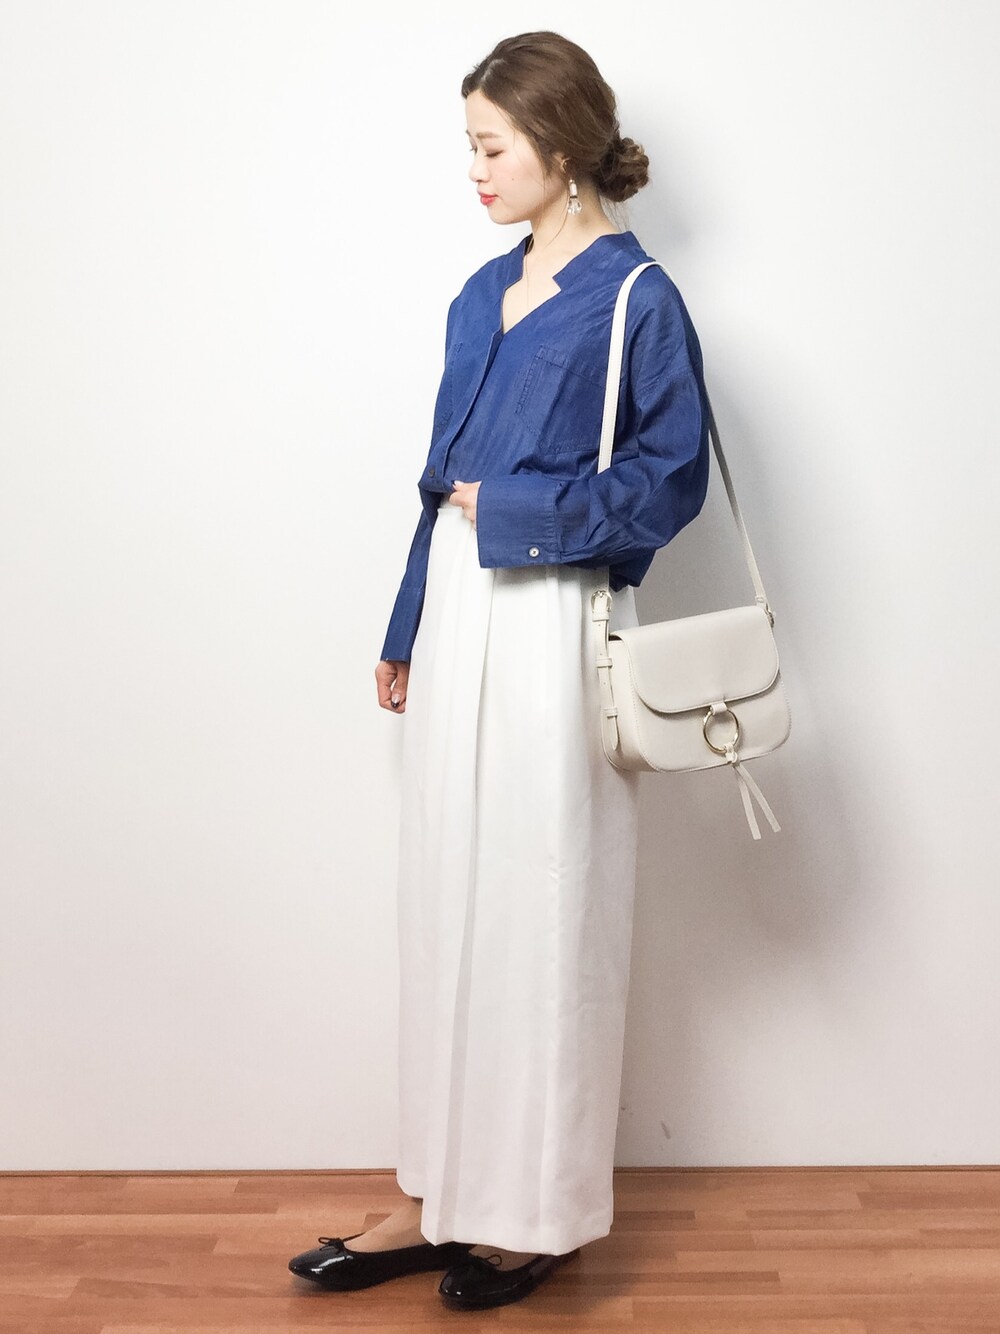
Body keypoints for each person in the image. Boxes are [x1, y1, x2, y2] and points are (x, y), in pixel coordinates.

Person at [289, 29, 710, 1313]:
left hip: (552, 621)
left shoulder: (637, 299)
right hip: (461, 613)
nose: (473, 170)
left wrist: (522, 511)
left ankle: (534, 1215)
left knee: (544, 911)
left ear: (560, 144)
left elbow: (669, 480)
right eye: (468, 146)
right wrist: (406, 622)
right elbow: (438, 483)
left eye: (491, 146)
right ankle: (437, 1194)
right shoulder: (480, 293)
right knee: (449, 908)